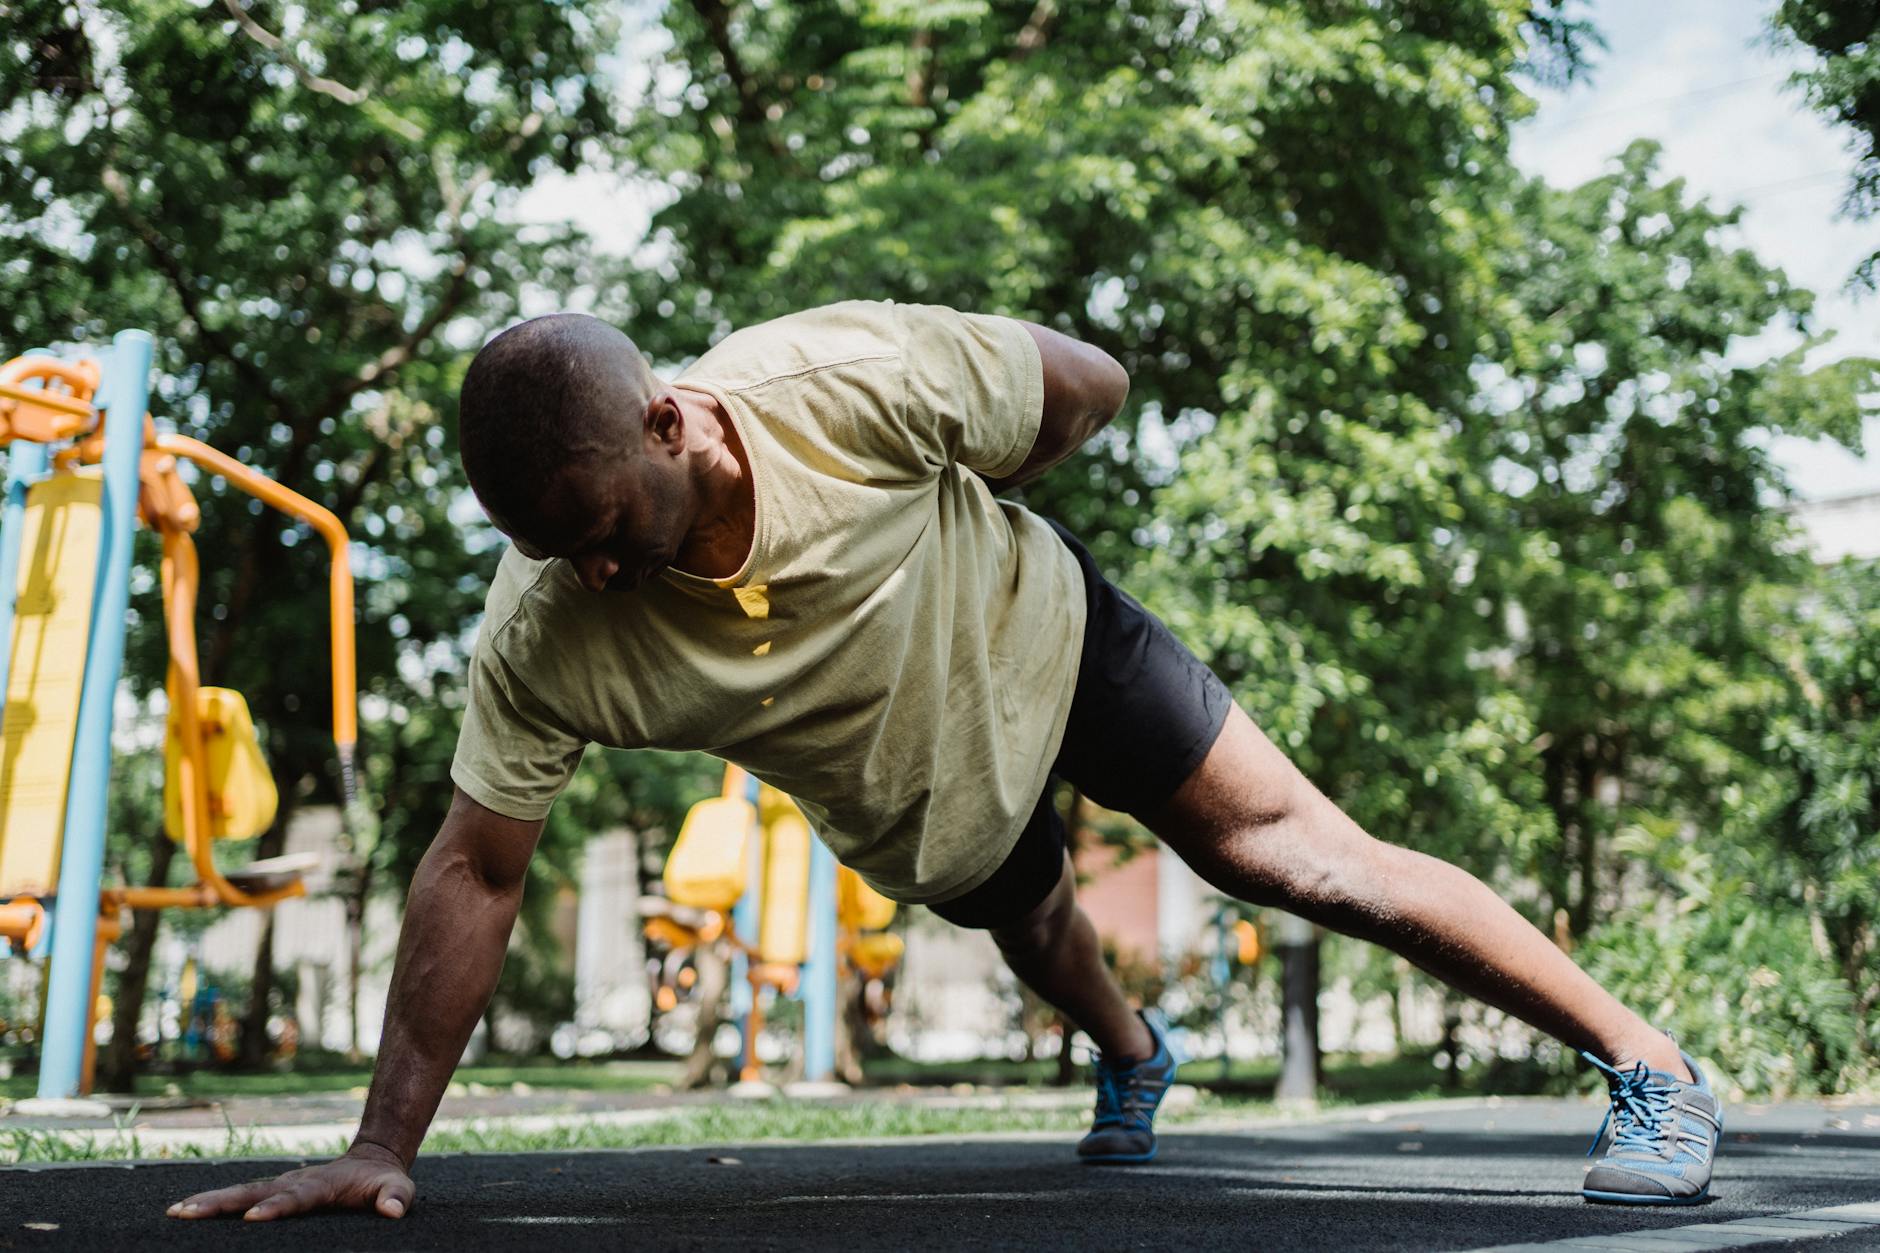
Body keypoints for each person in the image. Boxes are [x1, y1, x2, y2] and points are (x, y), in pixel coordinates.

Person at [168, 301, 1722, 1223]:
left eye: (595, 531)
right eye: (540, 550)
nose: (581, 574)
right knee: (1036, 921)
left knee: (1290, 853)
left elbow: (1090, 380)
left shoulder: (851, 376)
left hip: (1047, 637)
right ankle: (1136, 1055)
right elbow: (476, 865)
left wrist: (988, 502)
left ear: (671, 424)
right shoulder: (545, 624)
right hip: (914, 786)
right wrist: (380, 1144)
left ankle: (1653, 1067)